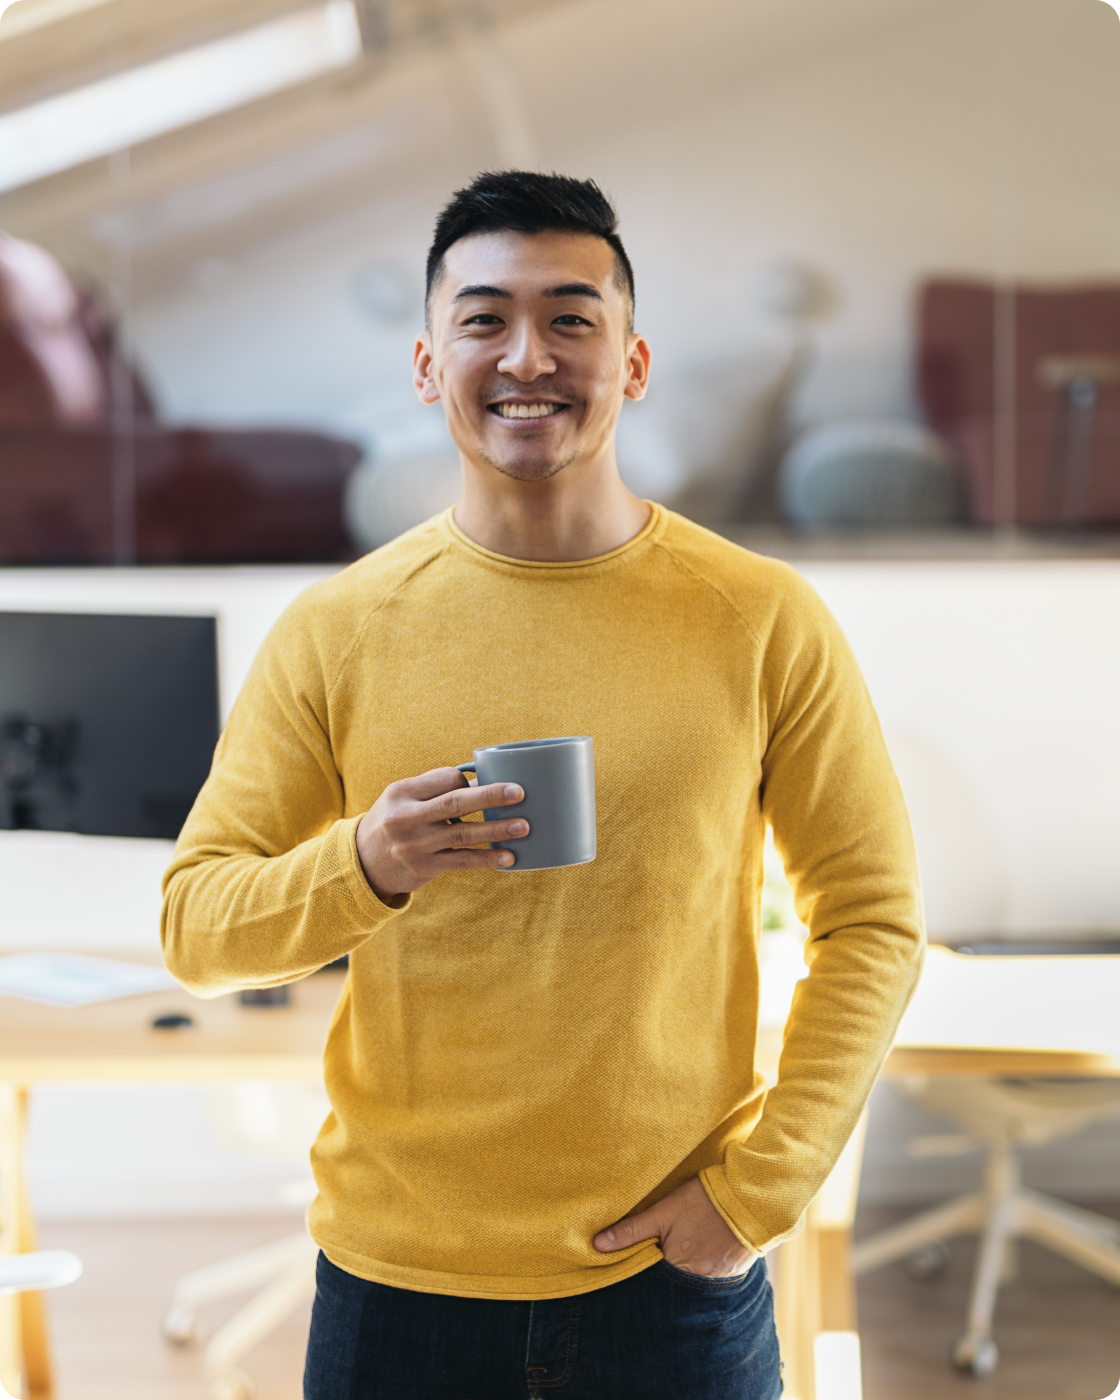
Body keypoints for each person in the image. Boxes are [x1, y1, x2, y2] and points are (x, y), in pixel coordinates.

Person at [162, 171, 924, 1400]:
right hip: (395, 1283)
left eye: (572, 317)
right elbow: (197, 927)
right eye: (483, 318)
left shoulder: (759, 617)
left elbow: (874, 919)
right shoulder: (337, 629)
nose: (528, 354)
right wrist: (368, 861)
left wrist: (757, 1190)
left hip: (671, 1284)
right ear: (427, 364)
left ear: (630, 362)